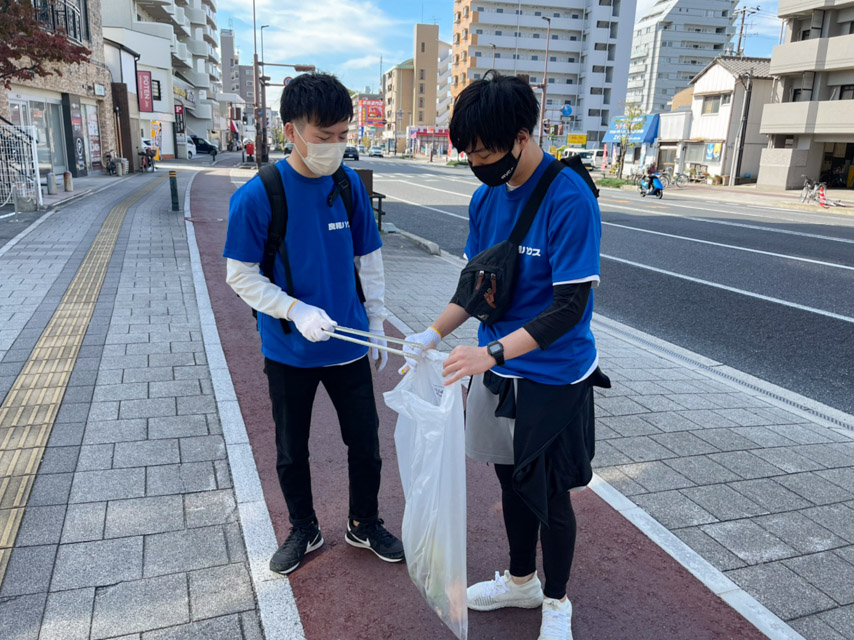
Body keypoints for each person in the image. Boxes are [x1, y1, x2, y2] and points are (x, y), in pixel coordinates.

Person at [401, 71, 608, 640]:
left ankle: (557, 601)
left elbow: (568, 308)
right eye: (468, 152)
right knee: (510, 482)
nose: (476, 162)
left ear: (522, 136)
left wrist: (490, 352)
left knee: (549, 492)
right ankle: (521, 581)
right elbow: (478, 286)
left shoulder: (569, 196)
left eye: (486, 152)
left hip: (553, 373)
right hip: (497, 369)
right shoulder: (484, 196)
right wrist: (431, 332)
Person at [223, 72, 404, 575]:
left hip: (347, 344)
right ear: (292, 132)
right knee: (290, 449)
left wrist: (376, 320)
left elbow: (370, 257)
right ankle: (303, 527)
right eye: (324, 137)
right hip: (289, 349)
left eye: (343, 135)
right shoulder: (259, 194)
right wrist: (295, 310)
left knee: (366, 443)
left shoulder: (347, 185)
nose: (335, 147)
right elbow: (239, 274)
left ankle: (363, 522)